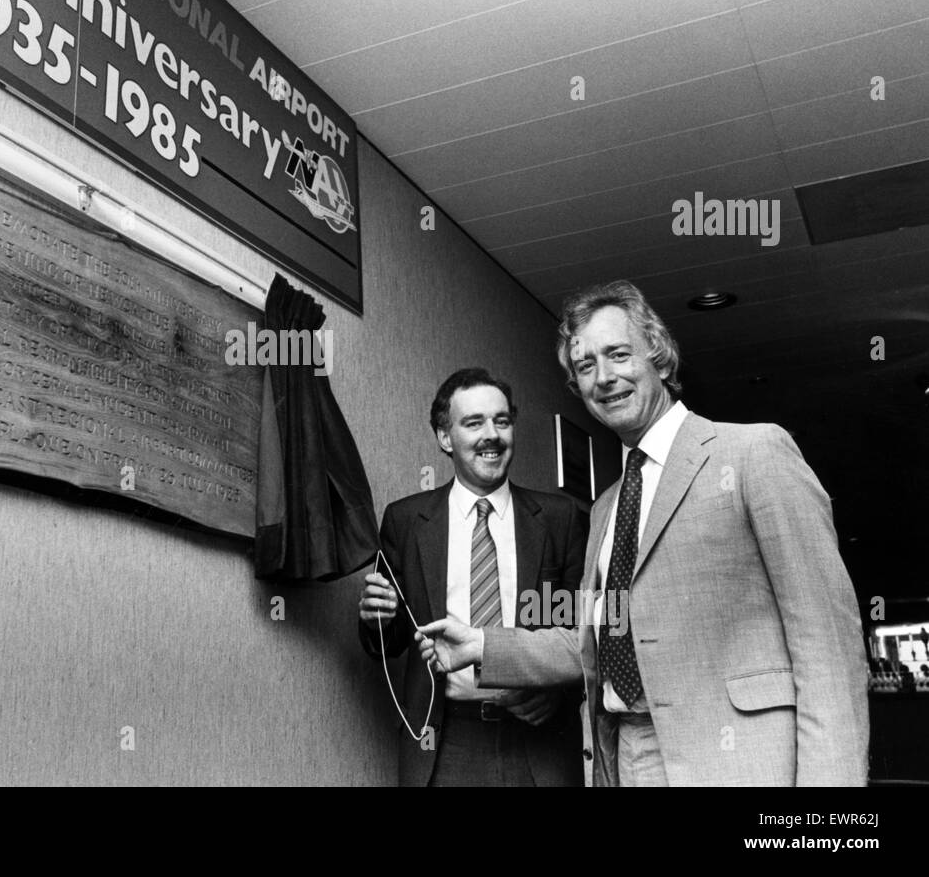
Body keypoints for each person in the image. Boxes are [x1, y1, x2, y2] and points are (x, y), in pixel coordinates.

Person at [418, 281, 869, 786]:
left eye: (618, 354)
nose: (604, 377)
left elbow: (827, 643)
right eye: (586, 367)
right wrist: (481, 645)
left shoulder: (752, 454)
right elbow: (590, 640)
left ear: (658, 355)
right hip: (622, 757)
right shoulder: (607, 506)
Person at [358, 368, 587, 786]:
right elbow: (385, 645)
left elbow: (586, 634)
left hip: (541, 743)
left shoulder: (561, 519)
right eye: (473, 422)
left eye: (501, 421)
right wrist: (378, 614)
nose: (492, 435)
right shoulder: (406, 520)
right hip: (446, 744)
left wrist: (557, 694)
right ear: (445, 437)